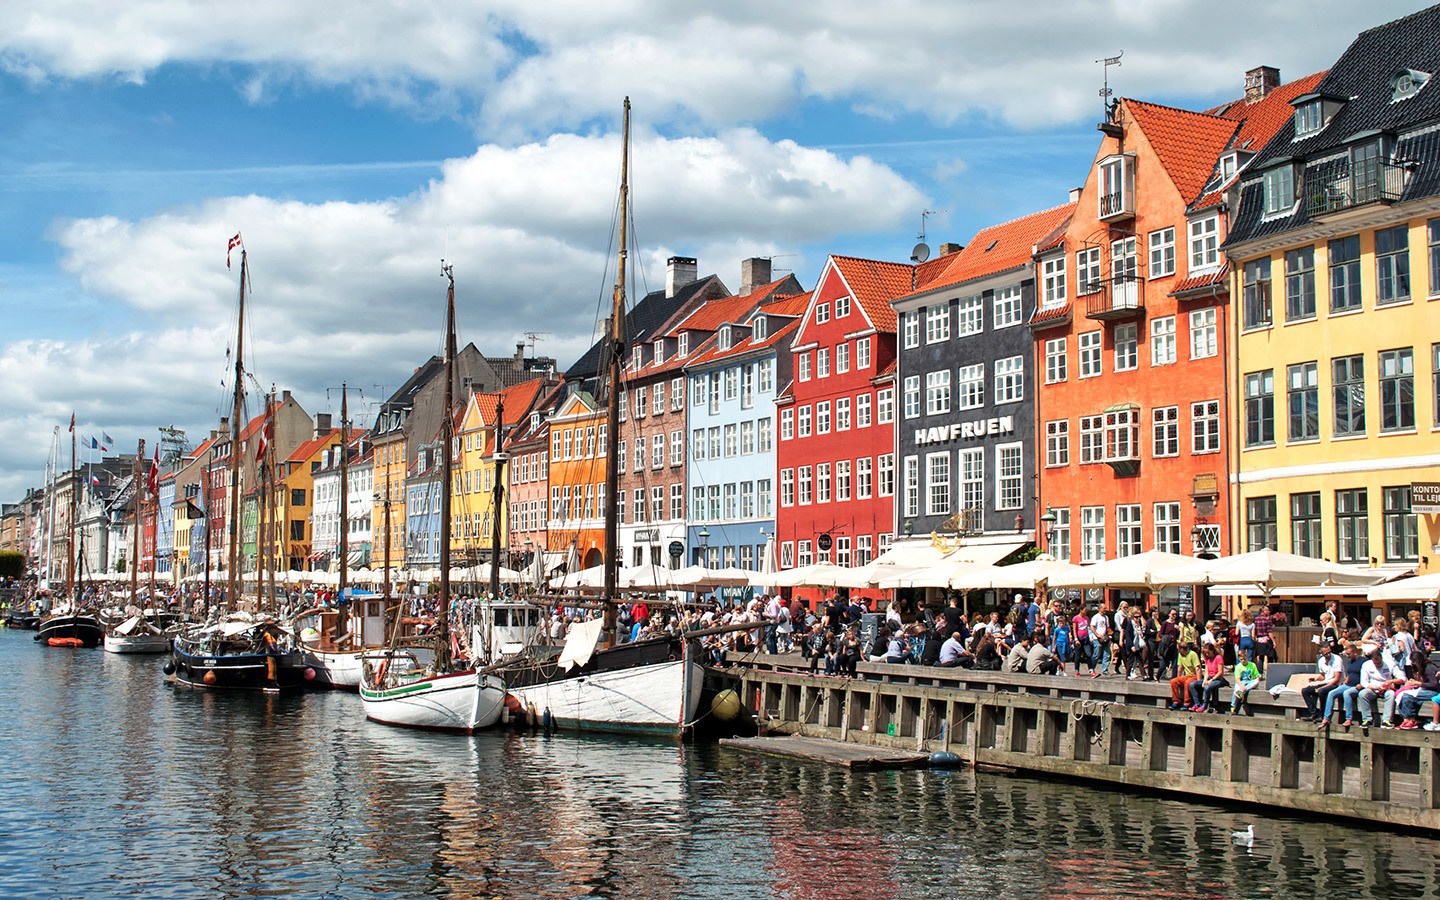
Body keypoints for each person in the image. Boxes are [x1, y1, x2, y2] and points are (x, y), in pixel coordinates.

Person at [1320, 642, 1365, 730]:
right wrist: (1345, 681)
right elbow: (1349, 675)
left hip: (1356, 686)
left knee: (1346, 693)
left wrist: (1362, 684)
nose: (1347, 656)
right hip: (1347, 684)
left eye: (1348, 654)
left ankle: (1348, 719)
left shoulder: (1363, 661)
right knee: (1331, 693)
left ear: (1355, 652)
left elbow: (1367, 674)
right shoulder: (1349, 662)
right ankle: (1326, 718)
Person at [1356, 645, 1402, 728]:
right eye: (1375, 663)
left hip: (1386, 687)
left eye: (1379, 663)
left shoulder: (1390, 663)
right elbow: (1364, 682)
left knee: (1391, 694)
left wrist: (1391, 681)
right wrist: (1375, 687)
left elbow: (1402, 678)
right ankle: (1367, 719)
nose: (1377, 665)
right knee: (1362, 694)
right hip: (1373, 688)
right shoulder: (1366, 665)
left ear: (1382, 659)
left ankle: (1386, 720)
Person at [1301, 644, 1344, 722]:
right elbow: (1323, 676)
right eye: (1326, 654)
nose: (1328, 654)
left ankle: (1322, 715)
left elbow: (1337, 678)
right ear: (1321, 653)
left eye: (1329, 652)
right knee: (1305, 690)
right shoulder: (1321, 661)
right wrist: (1315, 679)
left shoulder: (1337, 659)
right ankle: (1313, 713)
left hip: (1335, 684)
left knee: (1321, 691)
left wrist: (1323, 687)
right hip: (1326, 682)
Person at [1188, 643, 1226, 712]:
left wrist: (1211, 680)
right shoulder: (1207, 659)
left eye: (1208, 653)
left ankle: (1205, 705)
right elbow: (1206, 671)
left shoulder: (1218, 657)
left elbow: (1220, 672)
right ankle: (1197, 703)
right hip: (1209, 678)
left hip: (1217, 678)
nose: (1207, 655)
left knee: (1207, 687)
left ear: (1212, 650)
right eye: (1205, 653)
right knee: (1192, 684)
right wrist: (1205, 680)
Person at [1169, 642, 1201, 710]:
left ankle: (1187, 703)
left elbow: (1197, 668)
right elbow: (1180, 667)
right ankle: (1176, 701)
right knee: (1173, 681)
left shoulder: (1193, 654)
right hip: (1187, 675)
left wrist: (1199, 681)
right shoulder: (1180, 655)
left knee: (1187, 683)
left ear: (1183, 649)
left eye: (1179, 649)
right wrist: (1179, 677)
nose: (1178, 651)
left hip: (1194, 675)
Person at [1229, 649, 1261, 716]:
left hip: (1250, 682)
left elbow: (1257, 676)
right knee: (1236, 689)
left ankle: (1242, 691)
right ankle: (1233, 706)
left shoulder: (1252, 665)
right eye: (1241, 660)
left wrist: (1257, 680)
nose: (1243, 661)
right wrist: (1241, 686)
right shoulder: (1238, 667)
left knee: (1256, 682)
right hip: (1241, 682)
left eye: (1244, 659)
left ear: (1247, 657)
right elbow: (1237, 679)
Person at [1088, 606, 1111, 677]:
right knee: (1096, 654)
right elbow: (1092, 627)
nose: (1105, 610)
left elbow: (1107, 627)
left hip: (1105, 638)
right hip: (1097, 638)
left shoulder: (1106, 617)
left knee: (1107, 654)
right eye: (1104, 608)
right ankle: (1092, 668)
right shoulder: (1096, 617)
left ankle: (1105, 670)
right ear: (1100, 609)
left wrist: (1108, 635)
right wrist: (1097, 635)